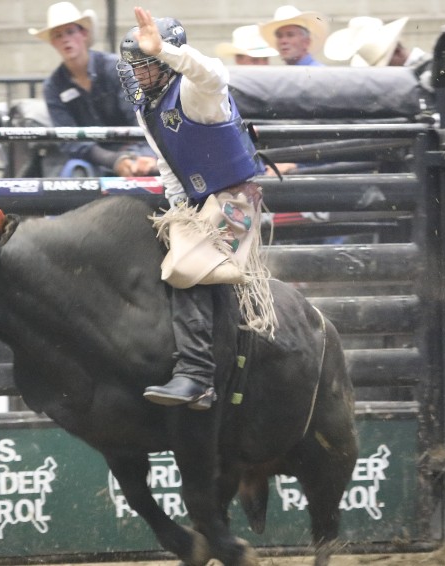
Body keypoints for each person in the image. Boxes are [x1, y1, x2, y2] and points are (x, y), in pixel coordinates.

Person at [119, 7, 275, 409]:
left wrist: (166, 51)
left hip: (235, 201)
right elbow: (170, 166)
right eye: (132, 66)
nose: (136, 74)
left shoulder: (195, 91)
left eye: (144, 65)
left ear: (164, 61)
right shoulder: (148, 107)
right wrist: (178, 214)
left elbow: (214, 74)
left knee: (186, 269)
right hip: (196, 203)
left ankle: (195, 375)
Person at [32, 2, 157, 177]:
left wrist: (143, 155)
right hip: (91, 160)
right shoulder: (53, 87)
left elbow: (139, 115)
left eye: (70, 31)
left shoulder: (116, 68)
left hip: (135, 149)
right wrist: (114, 160)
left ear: (83, 33)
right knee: (73, 171)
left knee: (158, 168)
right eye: (58, 35)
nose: (65, 39)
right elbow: (69, 139)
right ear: (54, 43)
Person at [257, 5, 328, 66]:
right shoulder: (282, 75)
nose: (283, 41)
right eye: (279, 36)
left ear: (306, 42)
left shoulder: (319, 73)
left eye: (290, 35)